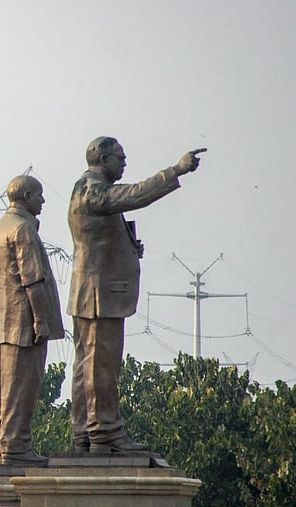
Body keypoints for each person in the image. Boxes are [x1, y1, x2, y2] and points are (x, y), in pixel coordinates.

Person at [67, 137, 206, 453]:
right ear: (103, 159)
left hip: (94, 291)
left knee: (88, 364)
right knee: (99, 364)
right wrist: (176, 170)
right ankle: (103, 433)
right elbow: (133, 195)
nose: (124, 162)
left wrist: (128, 247)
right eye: (120, 157)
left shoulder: (91, 189)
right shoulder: (92, 189)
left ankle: (87, 433)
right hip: (99, 294)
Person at [0, 175, 64, 465]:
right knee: (22, 387)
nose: (43, 201)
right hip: (23, 320)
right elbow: (32, 280)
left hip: (1, 322)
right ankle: (17, 448)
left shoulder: (0, 229)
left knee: (5, 392)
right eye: (39, 195)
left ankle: (6, 444)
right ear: (26, 196)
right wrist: (41, 320)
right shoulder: (22, 230)